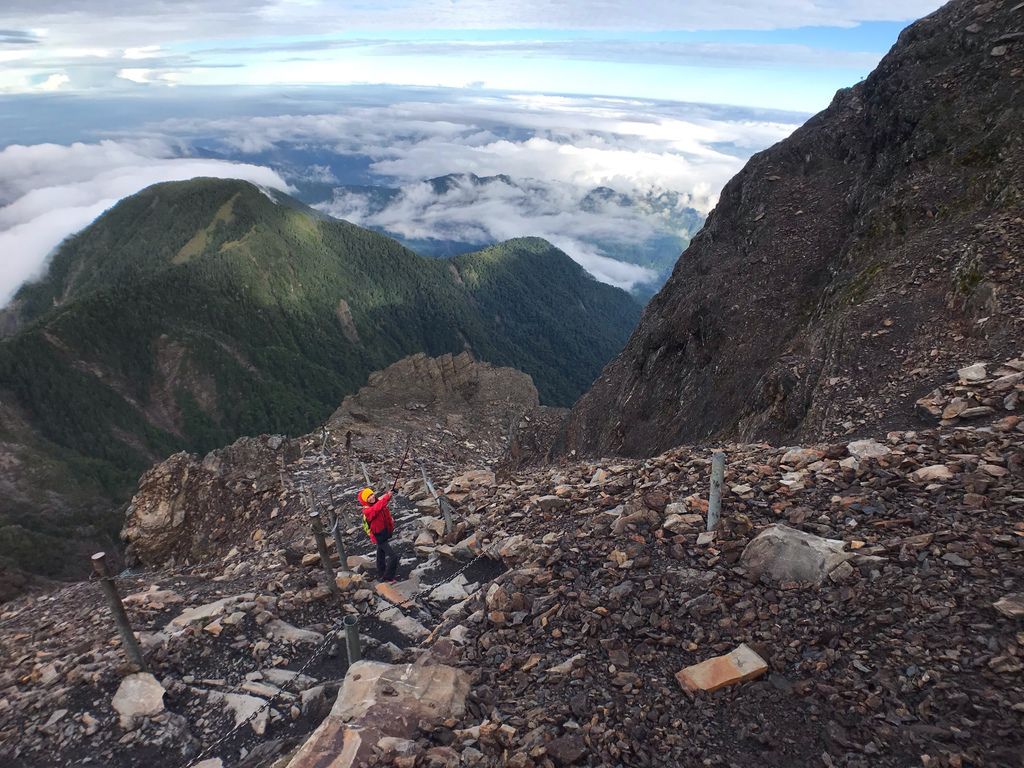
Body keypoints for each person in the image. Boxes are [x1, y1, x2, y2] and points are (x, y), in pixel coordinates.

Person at [358, 487, 398, 582]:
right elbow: (378, 506)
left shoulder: (376, 502)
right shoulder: (367, 511)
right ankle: (388, 577)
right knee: (393, 557)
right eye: (368, 497)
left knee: (381, 554)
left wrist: (389, 492)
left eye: (372, 494)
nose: (372, 497)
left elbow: (380, 500)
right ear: (365, 501)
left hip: (383, 532)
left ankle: (381, 573)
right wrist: (388, 496)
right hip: (379, 536)